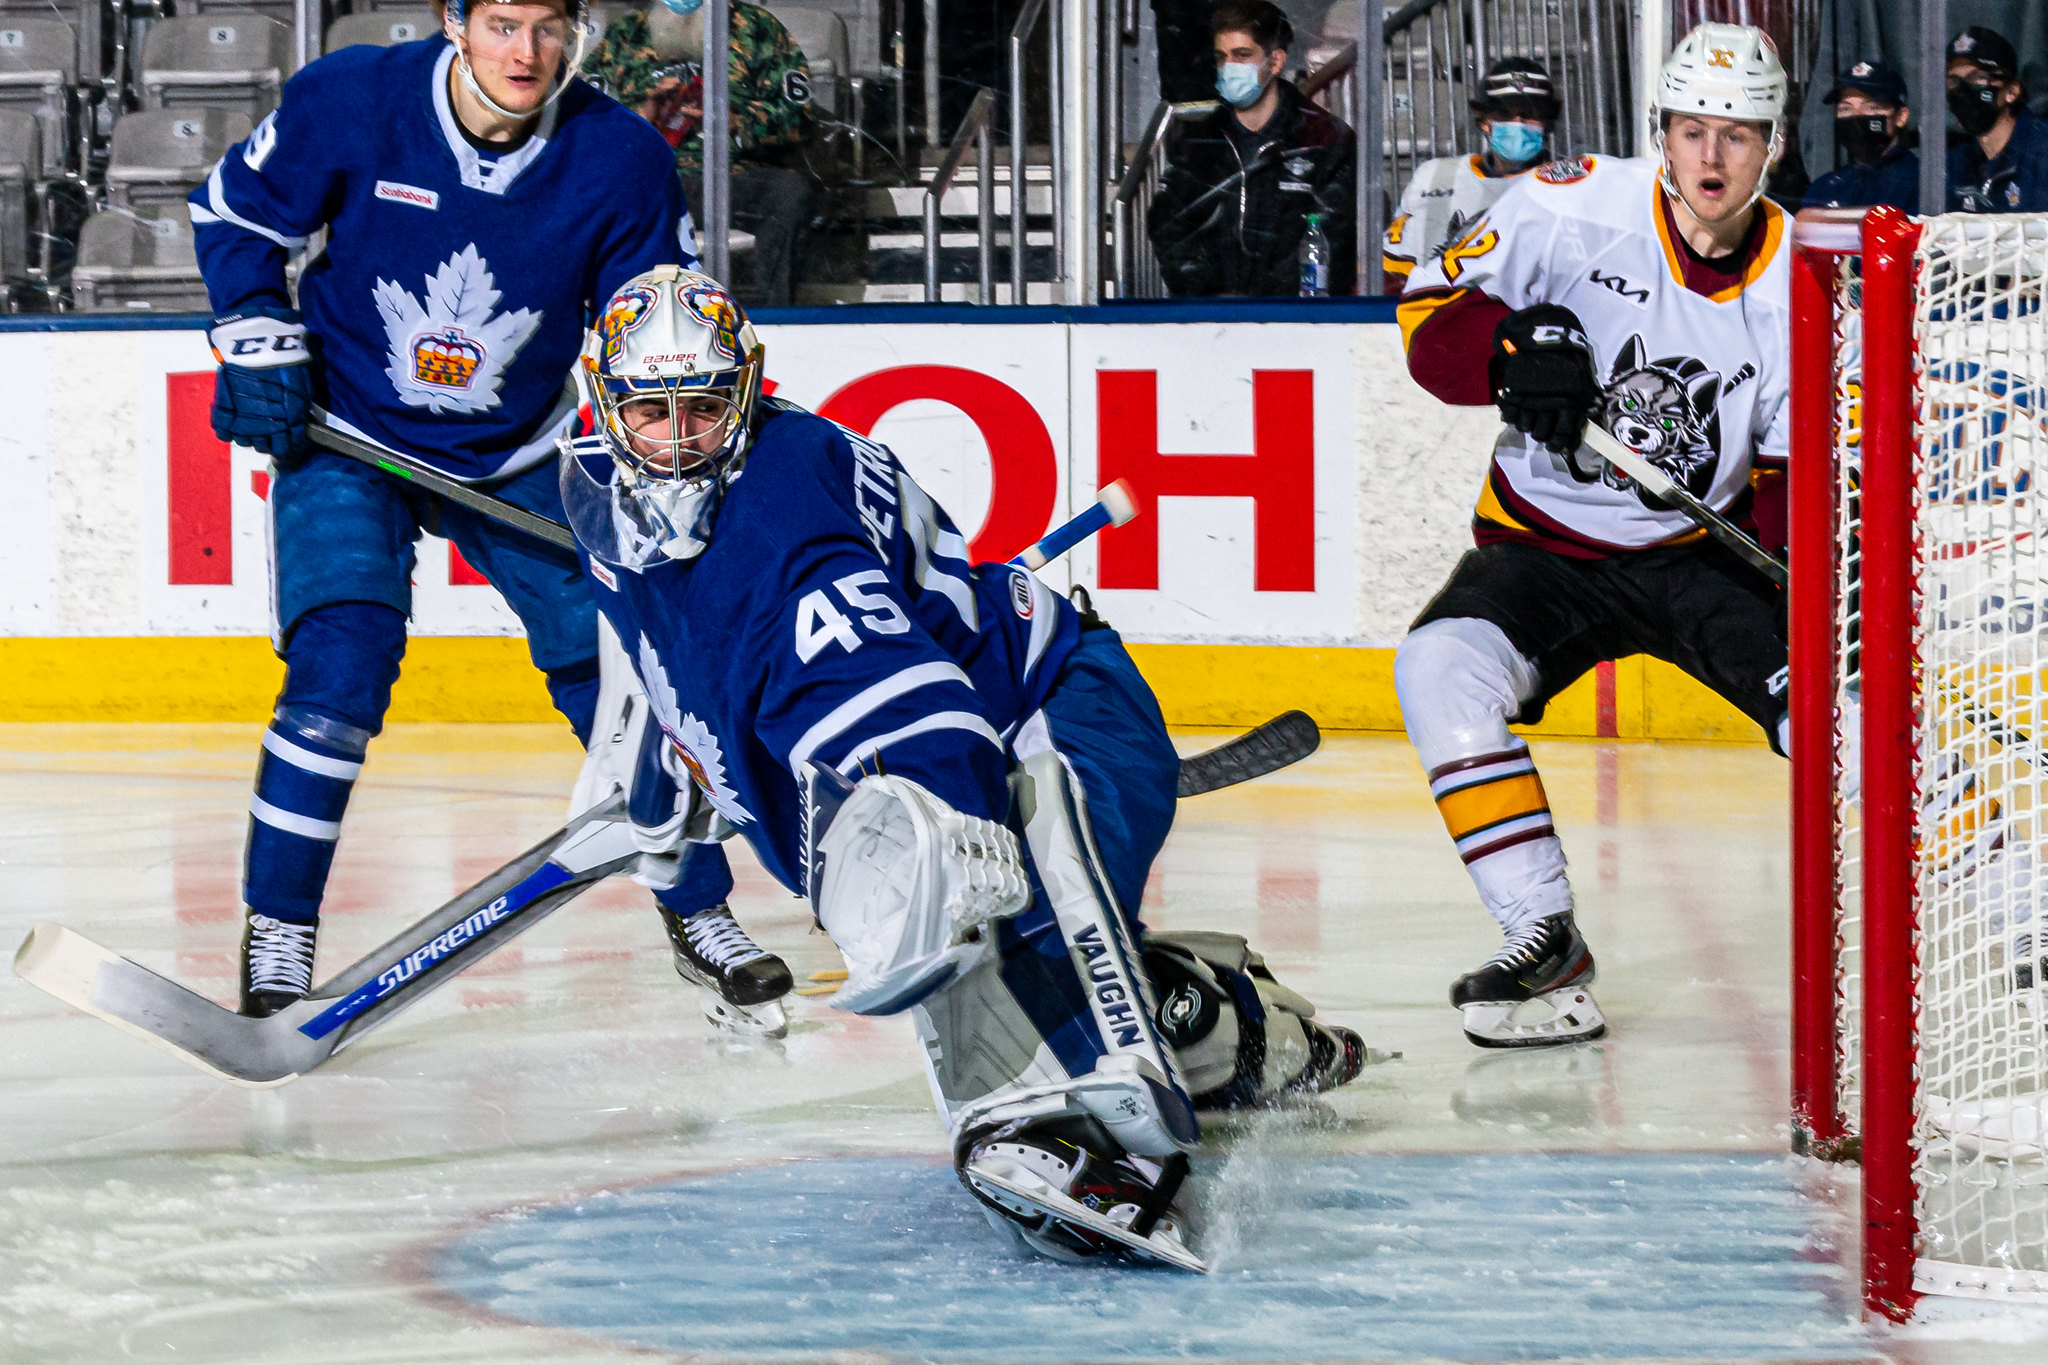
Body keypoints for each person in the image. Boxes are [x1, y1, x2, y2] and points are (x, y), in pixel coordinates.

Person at [558, 266, 1368, 1264]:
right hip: (1016, 708)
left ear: (748, 390)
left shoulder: (777, 528)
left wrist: (963, 869)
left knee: (1010, 922)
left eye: (704, 409)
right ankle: (1235, 1023)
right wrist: (668, 807)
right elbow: (662, 678)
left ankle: (1110, 1142)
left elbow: (929, 725)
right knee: (1012, 946)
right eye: (649, 412)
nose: (678, 442)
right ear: (602, 403)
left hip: (1053, 719)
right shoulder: (606, 502)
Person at [190, 0, 792, 1028]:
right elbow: (238, 213)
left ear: (578, 34)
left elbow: (651, 322)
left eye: (549, 28)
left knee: (617, 677)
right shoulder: (354, 98)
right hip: (348, 434)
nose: (526, 53)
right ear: (453, 22)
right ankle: (278, 925)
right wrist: (254, 324)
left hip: (518, 453)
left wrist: (667, 462)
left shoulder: (620, 158)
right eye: (503, 24)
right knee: (340, 662)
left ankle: (698, 909)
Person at [1391, 23, 1792, 1048]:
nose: (1709, 157)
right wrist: (1510, 348)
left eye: (1736, 135)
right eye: (1690, 129)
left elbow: (1787, 480)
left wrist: (1814, 585)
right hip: (1540, 548)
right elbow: (1424, 331)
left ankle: (2017, 909)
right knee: (1440, 670)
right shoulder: (1569, 208)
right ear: (1658, 130)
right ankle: (1541, 939)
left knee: (1842, 711)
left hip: (1699, 555)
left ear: (1772, 145)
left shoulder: (1802, 284)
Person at [586, 0, 816, 306]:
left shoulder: (759, 28)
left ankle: (774, 316)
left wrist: (736, 122)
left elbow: (799, 117)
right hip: (649, 177)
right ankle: (624, 316)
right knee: (595, 194)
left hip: (734, 175)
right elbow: (584, 125)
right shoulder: (625, 35)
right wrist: (642, 116)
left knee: (790, 191)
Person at [1148, 1, 1357, 298]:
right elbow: (1171, 228)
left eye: (1242, 56)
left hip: (1300, 322)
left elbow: (1332, 239)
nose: (1229, 68)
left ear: (1275, 62)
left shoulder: (1323, 139)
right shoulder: (1198, 142)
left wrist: (1269, 302)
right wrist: (1210, 295)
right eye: (1222, 57)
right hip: (1210, 320)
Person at [1382, 57, 1560, 295]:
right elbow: (1392, 273)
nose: (1517, 123)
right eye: (1505, 114)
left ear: (1547, 123)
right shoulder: (1435, 175)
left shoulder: (1566, 185)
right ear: (1484, 120)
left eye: (1530, 114)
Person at [1945, 26, 2048, 214]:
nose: (1963, 90)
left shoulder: (2042, 152)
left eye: (1979, 78)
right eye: (1953, 81)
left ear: (2011, 91)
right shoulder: (1954, 164)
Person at [1802, 58, 1917, 212]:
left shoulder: (1922, 183)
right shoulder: (1824, 188)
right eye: (1845, 109)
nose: (1857, 116)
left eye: (1871, 107)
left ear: (1901, 117)